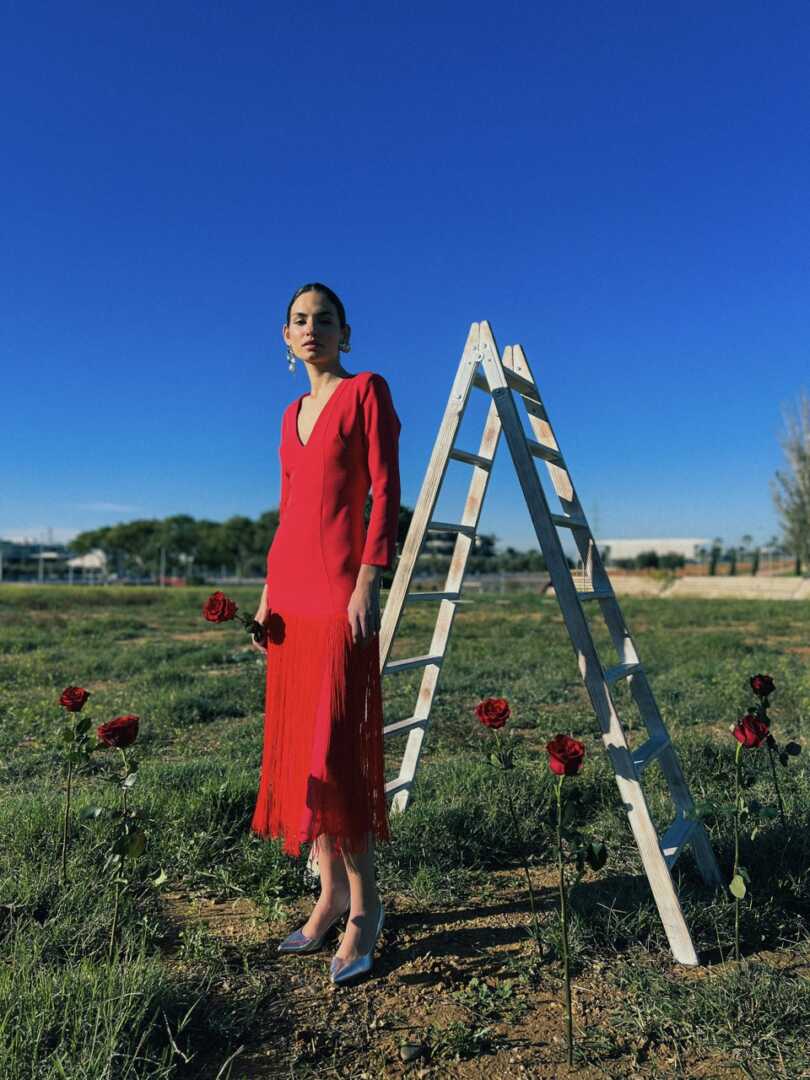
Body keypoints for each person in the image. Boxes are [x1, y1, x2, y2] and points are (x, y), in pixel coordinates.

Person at [249, 282, 401, 985]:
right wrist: (266, 594)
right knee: (305, 755)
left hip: (343, 592)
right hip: (293, 595)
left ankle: (366, 909)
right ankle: (329, 893)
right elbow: (287, 510)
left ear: (346, 331)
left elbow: (383, 489)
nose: (312, 329)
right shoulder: (286, 416)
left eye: (325, 319)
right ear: (286, 337)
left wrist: (371, 578)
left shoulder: (366, 390)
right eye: (300, 320)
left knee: (339, 754)